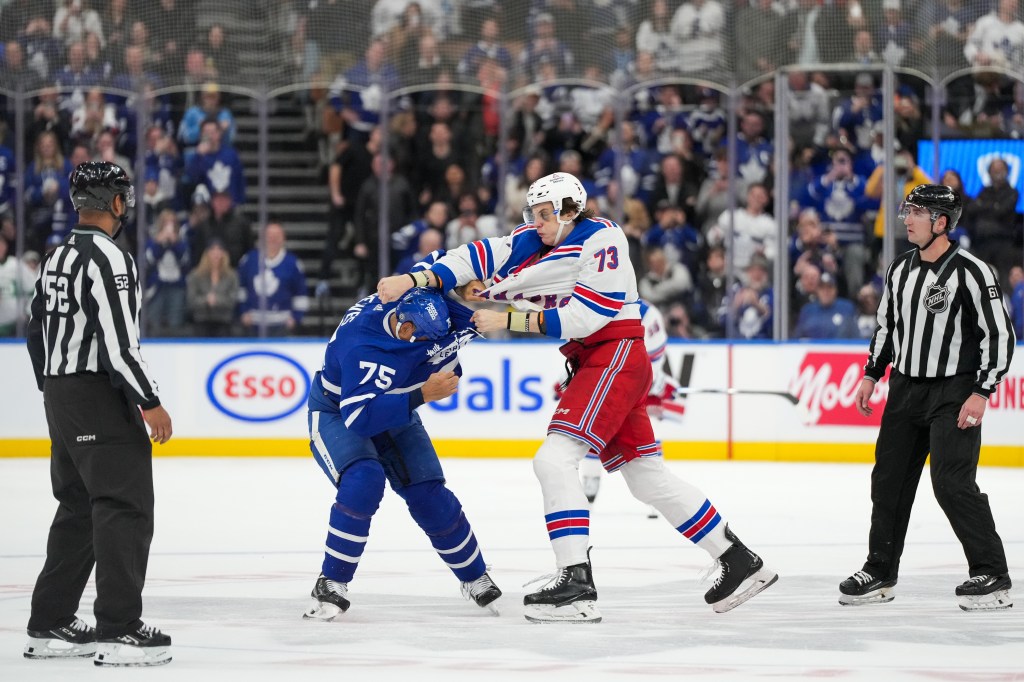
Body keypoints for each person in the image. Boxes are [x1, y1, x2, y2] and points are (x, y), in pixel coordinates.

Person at [376, 172, 777, 622]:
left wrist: (505, 316)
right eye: (534, 214)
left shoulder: (603, 238)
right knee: (647, 478)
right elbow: (481, 253)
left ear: (570, 210)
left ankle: (575, 583)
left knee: (553, 459)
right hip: (602, 361)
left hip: (614, 355)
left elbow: (587, 317)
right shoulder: (535, 239)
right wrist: (421, 276)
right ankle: (738, 559)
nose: (537, 222)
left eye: (546, 214)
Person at [24, 161, 172, 666]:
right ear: (114, 203)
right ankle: (119, 628)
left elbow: (33, 330)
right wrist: (149, 401)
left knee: (78, 507)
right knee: (123, 506)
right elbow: (119, 345)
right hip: (98, 397)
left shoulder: (55, 256)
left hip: (61, 395)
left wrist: (53, 390)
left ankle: (50, 622)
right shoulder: (110, 258)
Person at [842, 184, 1015, 611]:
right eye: (907, 211)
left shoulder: (973, 271)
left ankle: (992, 573)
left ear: (941, 222)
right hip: (904, 388)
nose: (907, 219)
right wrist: (871, 374)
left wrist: (981, 391)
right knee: (888, 482)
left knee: (951, 483)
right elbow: (887, 327)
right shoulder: (899, 268)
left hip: (954, 391)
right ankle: (880, 571)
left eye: (916, 212)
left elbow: (1000, 335)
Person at [303, 284, 502, 619]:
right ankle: (332, 581)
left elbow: (438, 273)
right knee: (363, 480)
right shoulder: (361, 346)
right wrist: (419, 395)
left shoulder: (419, 306)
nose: (432, 347)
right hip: (341, 410)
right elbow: (360, 419)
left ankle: (475, 575)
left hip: (394, 403)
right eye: (425, 341)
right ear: (405, 328)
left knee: (429, 493)